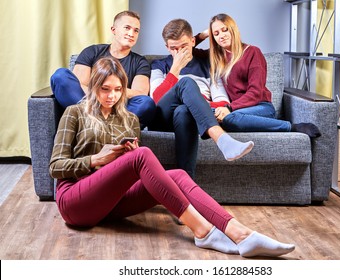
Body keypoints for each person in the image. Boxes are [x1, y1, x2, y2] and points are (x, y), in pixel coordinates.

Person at [49, 56, 295, 258]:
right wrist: (96, 160)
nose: (111, 96)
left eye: (117, 90)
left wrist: (124, 161)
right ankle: (202, 231)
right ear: (93, 87)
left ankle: (240, 232)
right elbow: (56, 167)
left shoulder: (129, 119)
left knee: (177, 174)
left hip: (111, 203)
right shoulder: (75, 113)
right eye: (105, 89)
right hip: (76, 202)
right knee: (143, 155)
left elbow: (130, 173)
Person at [149, 18, 254, 178]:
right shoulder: (159, 65)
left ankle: (186, 184)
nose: (179, 52)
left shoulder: (208, 66)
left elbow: (223, 102)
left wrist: (194, 102)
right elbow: (156, 99)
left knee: (184, 110)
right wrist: (175, 69)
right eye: (173, 48)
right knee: (186, 83)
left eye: (183, 46)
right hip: (163, 119)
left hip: (190, 118)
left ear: (193, 42)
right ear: (167, 47)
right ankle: (222, 139)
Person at [208, 13, 321, 137]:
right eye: (216, 33)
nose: (221, 36)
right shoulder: (218, 58)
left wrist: (229, 108)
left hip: (261, 107)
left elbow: (255, 92)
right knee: (206, 113)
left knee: (229, 119)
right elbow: (191, 49)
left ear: (233, 30)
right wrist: (205, 34)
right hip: (237, 110)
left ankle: (291, 126)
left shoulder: (252, 52)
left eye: (225, 30)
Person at [50, 10, 155, 128]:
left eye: (136, 30)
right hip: (89, 104)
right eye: (127, 28)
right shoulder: (92, 51)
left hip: (119, 110)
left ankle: (98, 126)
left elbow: (139, 93)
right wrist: (102, 94)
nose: (131, 33)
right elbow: (79, 85)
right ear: (113, 30)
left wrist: (110, 92)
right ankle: (97, 122)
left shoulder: (140, 62)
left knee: (146, 103)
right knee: (60, 75)